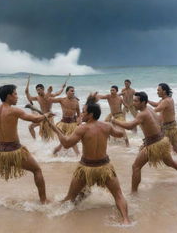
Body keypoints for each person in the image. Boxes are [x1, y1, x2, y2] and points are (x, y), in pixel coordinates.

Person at [49, 94, 130, 225]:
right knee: (119, 195)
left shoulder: (82, 128)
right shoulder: (107, 126)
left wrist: (55, 128)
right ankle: (126, 220)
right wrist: (117, 124)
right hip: (105, 167)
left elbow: (66, 143)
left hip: (86, 169)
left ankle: (55, 215)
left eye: (84, 112)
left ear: (91, 114)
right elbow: (120, 134)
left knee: (69, 198)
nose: (81, 114)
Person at [0, 85, 51, 208]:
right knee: (37, 170)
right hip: (15, 151)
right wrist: (46, 115)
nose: (17, 96)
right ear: (9, 96)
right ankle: (43, 201)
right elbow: (35, 118)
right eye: (15, 94)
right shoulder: (14, 111)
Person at [112, 92, 177, 192]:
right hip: (161, 141)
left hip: (154, 145)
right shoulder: (149, 109)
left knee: (136, 166)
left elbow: (130, 126)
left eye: (136, 101)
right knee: (171, 163)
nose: (133, 103)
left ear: (143, 102)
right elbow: (159, 120)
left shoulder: (142, 114)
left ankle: (133, 192)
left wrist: (115, 121)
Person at [148, 83, 177, 162]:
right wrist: (147, 101)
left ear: (164, 91)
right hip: (164, 128)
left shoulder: (167, 101)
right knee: (161, 146)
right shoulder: (163, 100)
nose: (157, 92)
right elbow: (156, 105)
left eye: (158, 90)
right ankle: (166, 162)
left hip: (171, 128)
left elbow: (157, 109)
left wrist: (145, 111)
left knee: (175, 149)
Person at [50, 86, 81, 156]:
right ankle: (77, 155)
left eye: (73, 91)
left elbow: (79, 114)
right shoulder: (62, 100)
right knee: (64, 141)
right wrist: (49, 92)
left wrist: (79, 122)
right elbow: (50, 100)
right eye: (71, 91)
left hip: (72, 124)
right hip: (63, 124)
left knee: (72, 141)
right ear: (66, 92)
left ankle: (77, 155)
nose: (73, 92)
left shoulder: (76, 102)